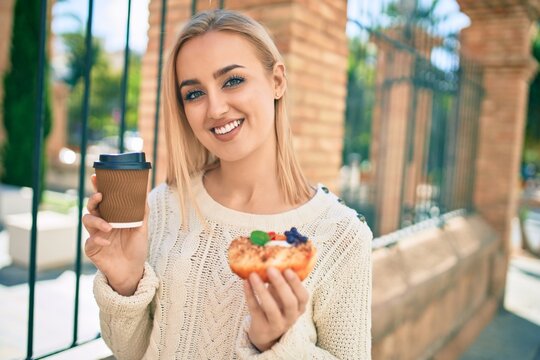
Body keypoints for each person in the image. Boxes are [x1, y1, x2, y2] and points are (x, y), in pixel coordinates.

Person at [83, 9, 372, 360]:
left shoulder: (341, 235)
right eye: (194, 94)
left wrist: (274, 345)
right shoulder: (162, 206)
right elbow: (131, 351)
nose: (215, 108)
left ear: (277, 81)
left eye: (233, 80)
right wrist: (125, 284)